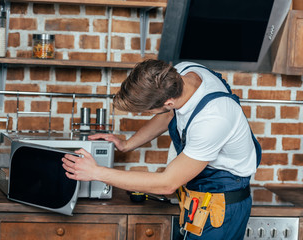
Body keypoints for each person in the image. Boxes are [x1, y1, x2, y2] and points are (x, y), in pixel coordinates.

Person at [62, 59, 261, 240]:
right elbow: (167, 115)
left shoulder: (213, 118)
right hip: (200, 199)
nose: (149, 114)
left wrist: (96, 172)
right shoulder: (181, 74)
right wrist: (127, 144)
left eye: (148, 110)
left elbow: (166, 184)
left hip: (222, 207)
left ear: (168, 102)